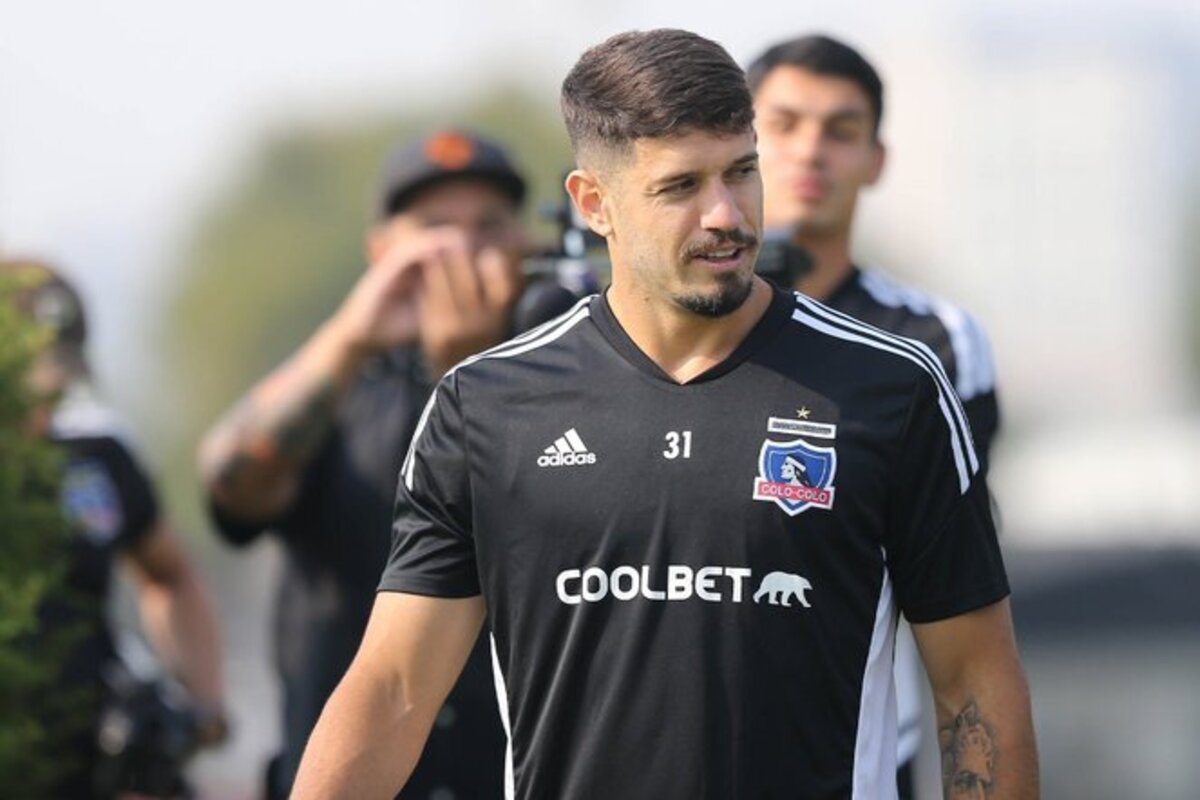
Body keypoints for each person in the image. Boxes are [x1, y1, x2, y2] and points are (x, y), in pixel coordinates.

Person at [292, 29, 1039, 799]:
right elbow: (393, 689)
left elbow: (974, 681)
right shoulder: (485, 405)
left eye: (741, 172)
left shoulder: (894, 388)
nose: (725, 214)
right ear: (593, 205)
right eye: (681, 187)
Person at [197, 129, 534, 799]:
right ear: (380, 250)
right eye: (434, 227)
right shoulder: (339, 390)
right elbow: (231, 492)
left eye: (488, 226)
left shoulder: (557, 381)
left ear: (526, 244)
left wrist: (463, 368)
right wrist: (350, 336)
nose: (463, 248)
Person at [748, 34, 1002, 796]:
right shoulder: (669, 326)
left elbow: (954, 575)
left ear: (876, 159)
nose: (810, 151)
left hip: (860, 749)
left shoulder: (938, 343)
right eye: (783, 124)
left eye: (841, 130)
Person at [2, 258, 228, 798]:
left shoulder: (95, 462)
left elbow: (169, 576)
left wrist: (201, 705)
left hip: (95, 767)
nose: (43, 403)